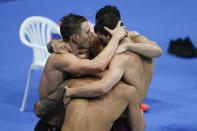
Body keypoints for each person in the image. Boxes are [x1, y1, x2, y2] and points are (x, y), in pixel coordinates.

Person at [34, 13, 127, 131]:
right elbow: (98, 65)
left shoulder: (79, 47)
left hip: (72, 121)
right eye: (88, 32)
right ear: (75, 38)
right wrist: (116, 38)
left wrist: (52, 44)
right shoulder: (61, 57)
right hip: (52, 126)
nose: (92, 34)